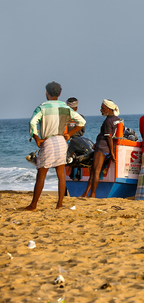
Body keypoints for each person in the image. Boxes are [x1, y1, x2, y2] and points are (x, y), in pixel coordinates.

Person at [25, 82, 86, 210]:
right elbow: (81, 122)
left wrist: (36, 138)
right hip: (61, 141)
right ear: (59, 94)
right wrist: (69, 134)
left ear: (47, 93)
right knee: (61, 174)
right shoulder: (65, 107)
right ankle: (59, 204)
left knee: (41, 174)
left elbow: (32, 122)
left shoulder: (42, 107)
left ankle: (33, 205)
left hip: (49, 140)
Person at [81, 100, 120, 198]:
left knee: (95, 171)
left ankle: (91, 194)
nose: (101, 110)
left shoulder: (108, 121)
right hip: (106, 147)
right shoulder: (117, 119)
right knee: (96, 171)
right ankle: (86, 193)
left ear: (109, 108)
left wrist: (111, 152)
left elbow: (108, 137)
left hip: (102, 148)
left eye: (103, 108)